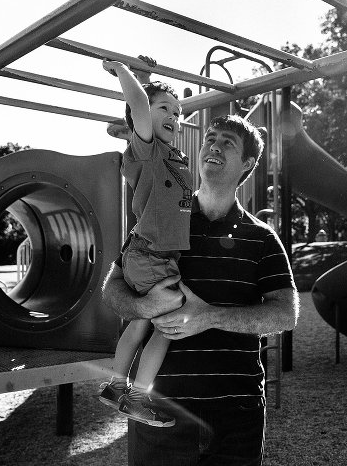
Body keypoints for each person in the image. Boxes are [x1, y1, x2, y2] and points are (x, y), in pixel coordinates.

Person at [102, 114, 299, 465]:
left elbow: (286, 314)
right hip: (159, 408)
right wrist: (145, 307)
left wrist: (209, 317)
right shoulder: (159, 217)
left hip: (236, 413)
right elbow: (112, 289)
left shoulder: (262, 238)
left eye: (228, 142)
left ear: (247, 164)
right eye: (211, 137)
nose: (214, 144)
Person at [98, 59, 193, 427]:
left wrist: (147, 82)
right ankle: (136, 397)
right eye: (165, 109)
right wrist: (125, 72)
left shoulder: (172, 158)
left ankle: (114, 385)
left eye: (178, 111)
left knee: (140, 325)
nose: (174, 115)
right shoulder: (147, 152)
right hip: (150, 255)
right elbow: (138, 106)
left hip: (156, 256)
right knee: (167, 325)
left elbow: (145, 105)